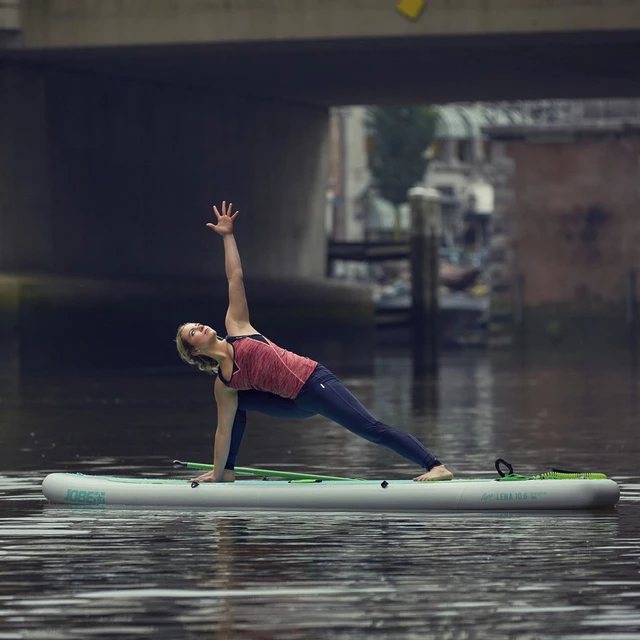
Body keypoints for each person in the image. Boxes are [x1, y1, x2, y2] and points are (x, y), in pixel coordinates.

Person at [175, 201, 454, 484]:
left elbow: (234, 277)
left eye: (196, 324)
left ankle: (435, 465)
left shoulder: (238, 327)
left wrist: (228, 236)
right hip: (294, 404)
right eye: (192, 333)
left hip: (314, 383)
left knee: (370, 428)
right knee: (237, 404)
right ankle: (227, 473)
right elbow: (223, 431)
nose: (199, 326)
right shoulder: (224, 384)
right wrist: (217, 470)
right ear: (195, 350)